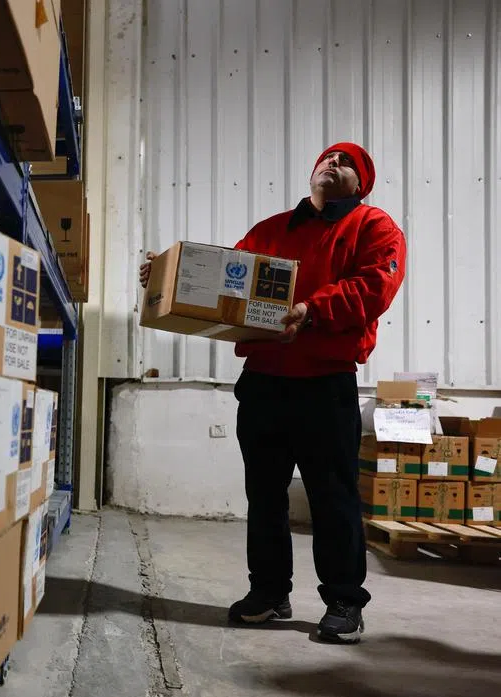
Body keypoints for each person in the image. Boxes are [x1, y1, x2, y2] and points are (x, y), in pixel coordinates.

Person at [139, 143, 407, 643]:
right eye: (328, 157)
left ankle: (345, 599)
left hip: (325, 382)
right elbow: (225, 277)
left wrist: (311, 309)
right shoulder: (272, 229)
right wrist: (169, 276)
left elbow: (374, 286)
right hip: (264, 381)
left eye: (347, 162)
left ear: (362, 183)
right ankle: (269, 592)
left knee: (333, 497)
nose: (333, 164)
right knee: (264, 495)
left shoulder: (374, 227)